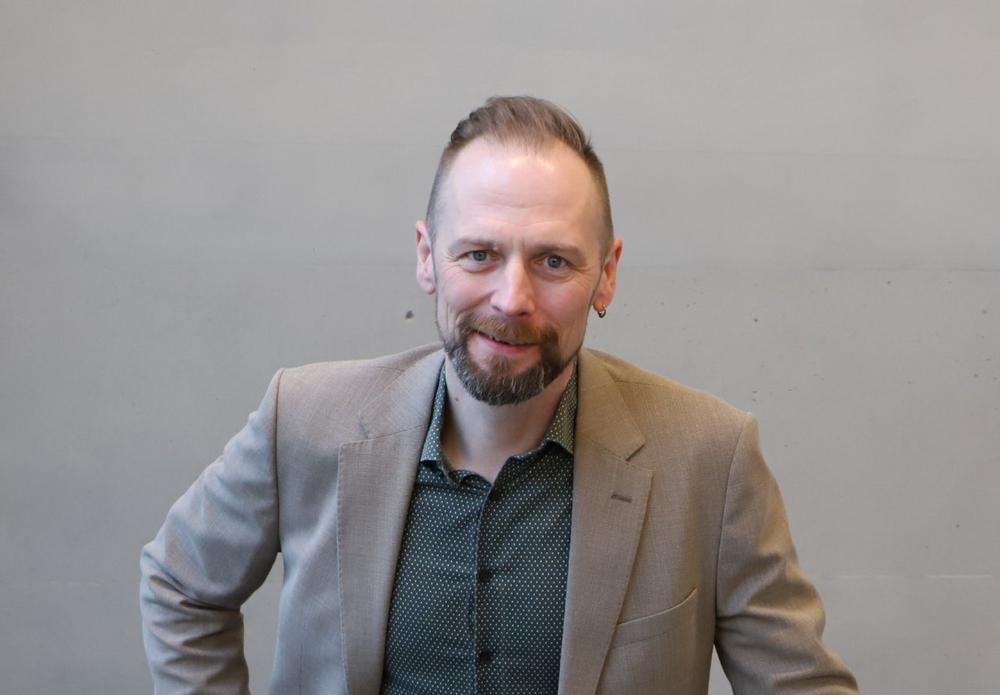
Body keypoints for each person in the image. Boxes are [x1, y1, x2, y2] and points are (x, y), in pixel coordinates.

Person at [140, 96, 858, 695]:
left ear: (606, 274)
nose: (513, 298)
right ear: (428, 256)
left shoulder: (709, 456)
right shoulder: (303, 418)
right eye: (479, 253)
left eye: (553, 260)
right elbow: (179, 584)